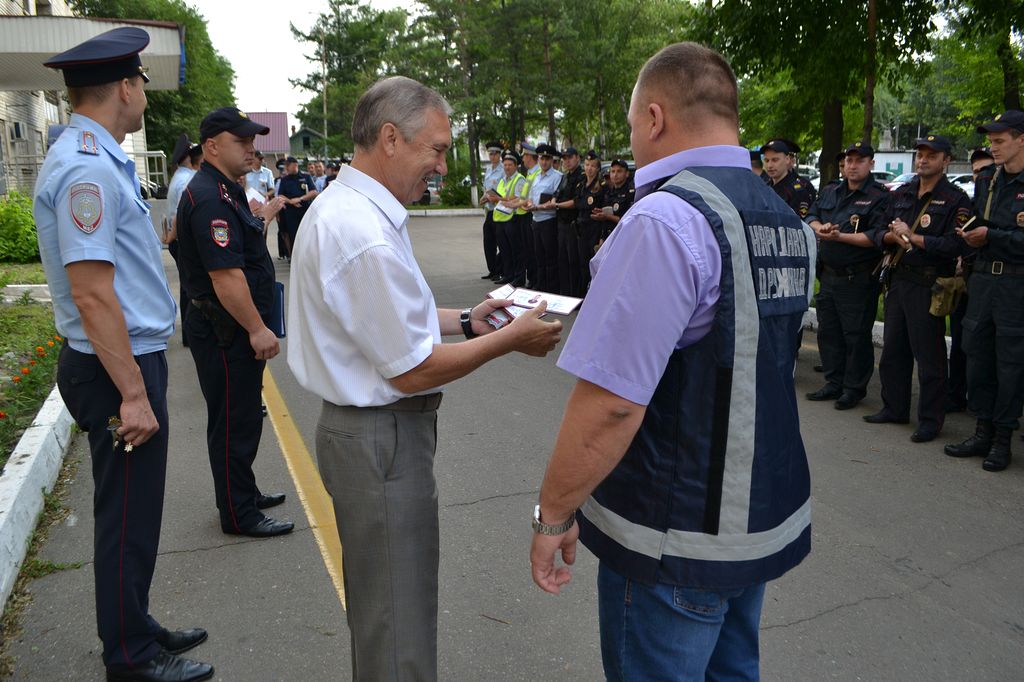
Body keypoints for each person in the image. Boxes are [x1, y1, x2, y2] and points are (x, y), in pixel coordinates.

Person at [529, 42, 814, 681]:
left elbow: (612, 403)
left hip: (673, 534)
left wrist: (554, 513)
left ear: (655, 118)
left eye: (633, 126)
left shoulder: (667, 218)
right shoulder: (785, 220)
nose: (633, 143)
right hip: (753, 523)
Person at [286, 76, 562, 681]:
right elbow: (411, 368)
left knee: (386, 614)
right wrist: (508, 339)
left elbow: (385, 321)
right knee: (398, 626)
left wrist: (467, 319)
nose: (442, 166)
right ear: (390, 138)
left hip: (369, 436)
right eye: (435, 149)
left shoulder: (349, 210)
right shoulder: (361, 233)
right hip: (381, 439)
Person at [33, 27, 212, 682]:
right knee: (127, 518)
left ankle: (134, 624)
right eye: (141, 82)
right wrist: (133, 393)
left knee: (135, 513)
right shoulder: (86, 168)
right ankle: (130, 657)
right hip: (116, 369)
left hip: (123, 360)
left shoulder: (97, 159)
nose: (144, 93)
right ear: (126, 88)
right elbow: (92, 293)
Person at [175, 107, 294, 537]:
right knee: (233, 422)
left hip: (231, 330)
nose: (251, 148)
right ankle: (238, 513)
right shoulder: (209, 197)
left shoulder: (225, 190)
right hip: (226, 331)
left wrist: (264, 218)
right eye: (241, 141)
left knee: (241, 416)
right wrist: (257, 329)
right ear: (211, 146)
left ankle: (241, 492)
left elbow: (242, 248)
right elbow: (225, 277)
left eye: (252, 141)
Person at [863, 135, 972, 442]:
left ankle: (930, 421)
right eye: (920, 154)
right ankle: (894, 408)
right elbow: (880, 229)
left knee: (929, 358)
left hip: (929, 283)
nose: (923, 160)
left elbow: (956, 245)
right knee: (893, 351)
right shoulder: (902, 193)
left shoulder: (956, 200)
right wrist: (891, 237)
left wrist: (914, 238)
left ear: (946, 161)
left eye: (931, 155)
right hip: (899, 279)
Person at [944, 110, 1024, 471]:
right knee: (977, 356)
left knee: (1010, 363)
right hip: (984, 281)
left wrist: (991, 236)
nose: (993, 146)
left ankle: (1002, 440)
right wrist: (969, 236)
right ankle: (982, 432)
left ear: (1021, 140)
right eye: (991, 140)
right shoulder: (989, 179)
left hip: (1016, 285)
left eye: (1000, 140)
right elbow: (979, 220)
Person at [804, 142, 890, 410]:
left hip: (858, 278)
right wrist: (820, 227)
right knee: (828, 332)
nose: (852, 166)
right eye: (849, 161)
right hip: (829, 275)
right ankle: (834, 382)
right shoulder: (831, 190)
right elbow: (812, 215)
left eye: (859, 161)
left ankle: (853, 389)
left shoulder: (879, 197)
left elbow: (877, 237)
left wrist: (840, 236)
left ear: (871, 164)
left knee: (855, 336)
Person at [948, 147, 997, 412]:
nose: (981, 177)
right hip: (967, 282)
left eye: (987, 172)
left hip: (996, 285)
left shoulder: (1001, 204)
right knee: (962, 341)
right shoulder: (969, 204)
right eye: (977, 172)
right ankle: (956, 395)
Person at [164, 134, 203, 343]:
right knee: (192, 288)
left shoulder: (179, 177)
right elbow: (182, 213)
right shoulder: (188, 179)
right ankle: (191, 334)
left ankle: (189, 334)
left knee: (187, 286)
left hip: (178, 240)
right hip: (185, 241)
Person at [524, 143, 563, 292]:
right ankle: (541, 287)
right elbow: (530, 197)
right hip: (536, 221)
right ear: (538, 159)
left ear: (552, 160)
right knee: (539, 257)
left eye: (547, 159)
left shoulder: (557, 177)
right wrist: (529, 204)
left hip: (548, 221)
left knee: (550, 258)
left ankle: (551, 290)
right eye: (542, 158)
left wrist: (536, 207)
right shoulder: (536, 177)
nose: (544, 162)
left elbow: (554, 200)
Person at [493, 149, 529, 286]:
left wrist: (498, 198)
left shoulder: (519, 179)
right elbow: (501, 196)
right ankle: (508, 275)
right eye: (505, 165)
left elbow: (518, 197)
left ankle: (519, 277)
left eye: (510, 165)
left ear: (516, 166)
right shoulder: (503, 180)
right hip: (501, 218)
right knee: (505, 250)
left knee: (516, 250)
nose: (507, 167)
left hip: (513, 218)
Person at [553, 147, 585, 295]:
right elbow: (557, 193)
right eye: (564, 158)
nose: (567, 161)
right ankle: (565, 293)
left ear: (577, 157)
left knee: (573, 262)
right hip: (562, 223)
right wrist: (553, 201)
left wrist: (556, 205)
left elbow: (575, 202)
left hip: (573, 224)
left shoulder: (581, 176)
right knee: (562, 260)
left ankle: (575, 295)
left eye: (570, 157)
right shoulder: (565, 176)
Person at [574, 150, 606, 292]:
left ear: (598, 168)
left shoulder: (601, 186)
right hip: (581, 229)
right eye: (587, 165)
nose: (589, 168)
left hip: (594, 228)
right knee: (582, 263)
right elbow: (577, 204)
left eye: (593, 166)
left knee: (593, 263)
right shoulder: (581, 185)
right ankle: (582, 293)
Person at [762, 138, 817, 219]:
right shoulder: (764, 186)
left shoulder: (797, 191)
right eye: (766, 160)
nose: (769, 165)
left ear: (787, 159)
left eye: (775, 160)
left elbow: (800, 222)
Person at [276, 156, 318, 258]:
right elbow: (280, 195)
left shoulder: (306, 177)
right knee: (293, 235)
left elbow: (314, 192)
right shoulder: (284, 180)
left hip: (304, 210)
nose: (287, 168)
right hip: (291, 212)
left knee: (307, 234)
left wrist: (300, 199)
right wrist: (290, 201)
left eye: (289, 166)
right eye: (288, 166)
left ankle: (308, 257)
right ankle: (295, 258)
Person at [592, 158, 635, 242]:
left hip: (622, 237)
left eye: (619, 171)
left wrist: (608, 216)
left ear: (627, 174)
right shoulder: (609, 192)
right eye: (613, 171)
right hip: (608, 237)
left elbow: (629, 220)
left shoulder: (631, 193)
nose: (615, 175)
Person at [479, 141, 505, 280]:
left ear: (499, 155)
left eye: (495, 154)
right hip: (489, 210)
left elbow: (504, 190)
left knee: (501, 243)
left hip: (500, 210)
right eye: (490, 154)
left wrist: (494, 197)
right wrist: (484, 197)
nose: (492, 156)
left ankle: (500, 270)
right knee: (488, 242)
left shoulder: (503, 169)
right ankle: (492, 270)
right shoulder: (488, 169)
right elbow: (486, 188)